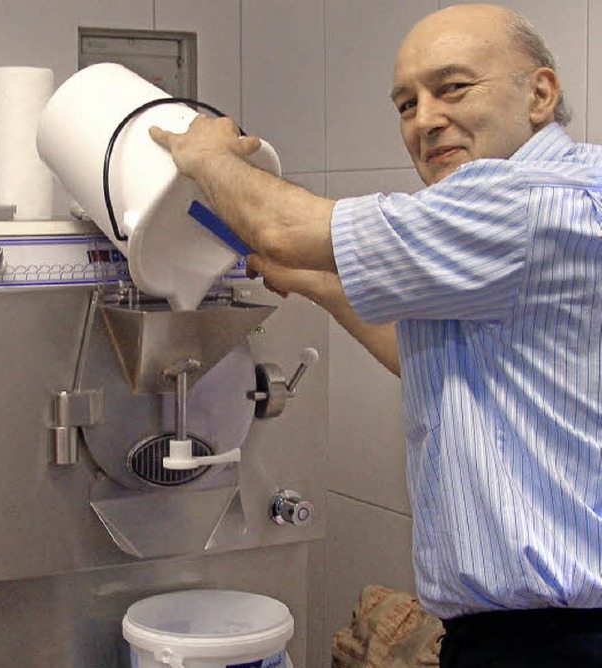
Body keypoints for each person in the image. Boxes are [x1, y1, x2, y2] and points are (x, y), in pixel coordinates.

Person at [149, 3, 602, 666]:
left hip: (555, 643)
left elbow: (282, 226)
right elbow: (431, 354)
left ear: (540, 92)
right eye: (405, 103)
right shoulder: (561, 195)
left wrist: (208, 158)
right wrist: (308, 280)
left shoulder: (524, 203)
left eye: (452, 87)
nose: (424, 118)